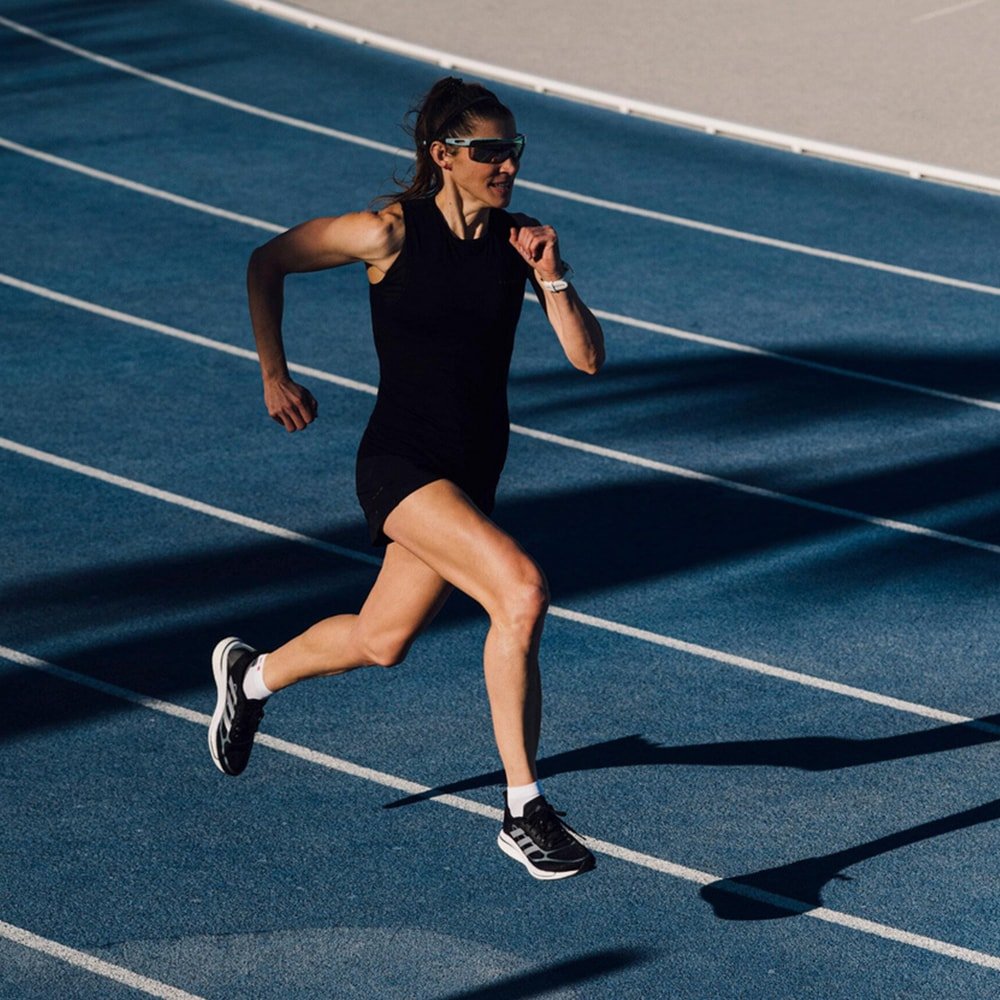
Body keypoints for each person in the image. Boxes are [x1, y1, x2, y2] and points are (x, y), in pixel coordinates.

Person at [208, 76, 605, 880]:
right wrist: (274, 373)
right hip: (401, 463)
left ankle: (251, 677)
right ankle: (523, 808)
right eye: (489, 151)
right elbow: (267, 262)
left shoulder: (520, 241)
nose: (507, 165)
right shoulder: (386, 232)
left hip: (471, 471)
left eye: (513, 149)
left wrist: (552, 274)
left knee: (381, 640)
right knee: (521, 591)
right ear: (442, 155)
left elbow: (587, 358)